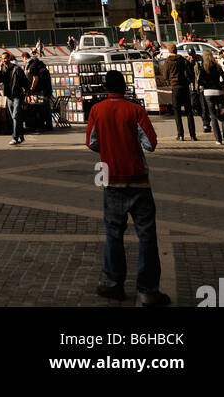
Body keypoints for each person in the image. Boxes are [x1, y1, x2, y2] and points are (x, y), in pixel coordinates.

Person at [86, 69, 168, 306]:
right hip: (138, 180)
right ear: (125, 87)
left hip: (110, 178)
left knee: (113, 233)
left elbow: (92, 142)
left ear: (105, 88)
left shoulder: (96, 110)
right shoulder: (135, 110)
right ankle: (148, 290)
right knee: (147, 236)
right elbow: (150, 144)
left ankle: (113, 283)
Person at [161, 45, 196, 141]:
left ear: (169, 50)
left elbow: (165, 76)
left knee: (177, 112)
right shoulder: (182, 60)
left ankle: (180, 135)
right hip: (184, 87)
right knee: (189, 111)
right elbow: (189, 71)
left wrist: (171, 78)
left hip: (175, 87)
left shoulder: (168, 61)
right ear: (176, 50)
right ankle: (193, 135)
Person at [197, 50, 224, 146]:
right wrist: (219, 84)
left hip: (208, 93)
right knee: (223, 116)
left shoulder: (203, 68)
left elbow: (199, 82)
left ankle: (218, 139)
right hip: (219, 92)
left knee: (213, 116)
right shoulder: (217, 66)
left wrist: (206, 85)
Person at [0, 51, 29, 145]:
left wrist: (27, 92)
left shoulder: (17, 69)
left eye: (5, 58)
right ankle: (21, 135)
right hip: (9, 96)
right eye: (2, 59)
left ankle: (14, 137)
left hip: (17, 95)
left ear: (9, 58)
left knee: (15, 116)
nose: (4, 60)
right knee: (14, 117)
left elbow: (25, 81)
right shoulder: (3, 69)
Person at [25, 50, 53, 132]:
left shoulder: (33, 67)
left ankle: (40, 126)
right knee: (46, 109)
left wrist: (31, 89)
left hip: (39, 91)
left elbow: (35, 79)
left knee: (38, 108)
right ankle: (48, 125)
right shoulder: (44, 68)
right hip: (46, 90)